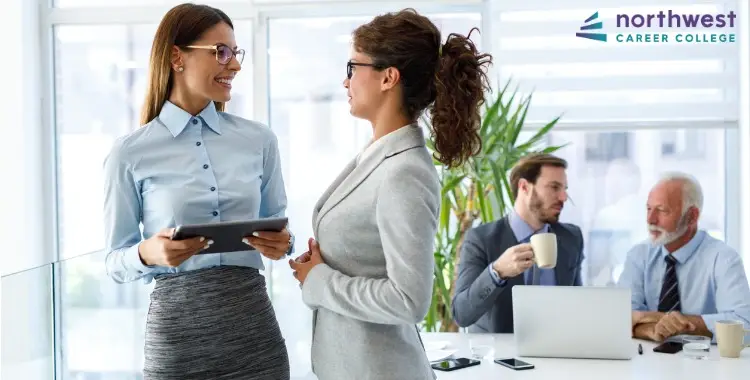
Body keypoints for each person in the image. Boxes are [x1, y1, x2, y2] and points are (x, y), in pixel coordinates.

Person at [287, 8, 492, 380]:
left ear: (388, 77)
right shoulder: (380, 157)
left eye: (353, 67)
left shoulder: (405, 172)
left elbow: (409, 300)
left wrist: (319, 281)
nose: (345, 81)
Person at [103, 4, 291, 379]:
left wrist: (282, 244)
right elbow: (114, 263)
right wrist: (147, 253)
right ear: (177, 57)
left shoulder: (259, 141)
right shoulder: (130, 153)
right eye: (221, 52)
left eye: (235, 53)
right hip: (177, 345)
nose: (234, 65)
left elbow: (282, 234)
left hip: (255, 338)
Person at [452, 153, 585, 333]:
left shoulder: (572, 238)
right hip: (499, 357)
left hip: (557, 351)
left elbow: (578, 303)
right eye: (554, 187)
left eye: (564, 189)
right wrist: (497, 272)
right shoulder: (481, 239)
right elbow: (461, 314)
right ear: (524, 187)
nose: (563, 197)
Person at [619, 172, 750, 342]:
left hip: (704, 362)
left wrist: (682, 323)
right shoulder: (639, 255)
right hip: (647, 362)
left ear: (692, 216)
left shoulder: (723, 258)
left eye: (662, 210)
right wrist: (654, 328)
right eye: (649, 209)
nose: (650, 220)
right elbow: (620, 316)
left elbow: (743, 324)